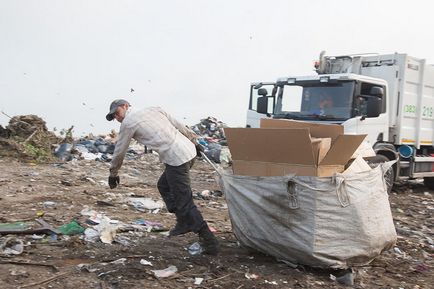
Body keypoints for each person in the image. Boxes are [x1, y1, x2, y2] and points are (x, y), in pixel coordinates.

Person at [105, 99, 219, 255]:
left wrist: (113, 173)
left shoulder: (128, 123)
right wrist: (194, 142)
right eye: (114, 117)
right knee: (164, 186)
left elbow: (120, 150)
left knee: (184, 201)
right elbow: (179, 125)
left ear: (125, 106)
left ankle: (209, 240)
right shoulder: (154, 109)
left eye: (117, 113)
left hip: (176, 158)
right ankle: (183, 222)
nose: (117, 118)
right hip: (188, 151)